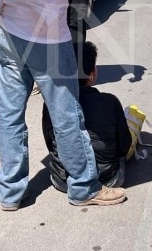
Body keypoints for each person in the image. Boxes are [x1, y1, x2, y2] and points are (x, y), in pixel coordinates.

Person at [0, 0, 126, 211]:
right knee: (66, 113)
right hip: (47, 38)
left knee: (10, 113)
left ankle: (10, 191)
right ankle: (83, 186)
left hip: (8, 28)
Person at [42, 41, 132, 192]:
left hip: (63, 180)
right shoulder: (110, 102)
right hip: (108, 179)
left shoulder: (51, 103)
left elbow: (50, 143)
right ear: (91, 74)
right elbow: (124, 147)